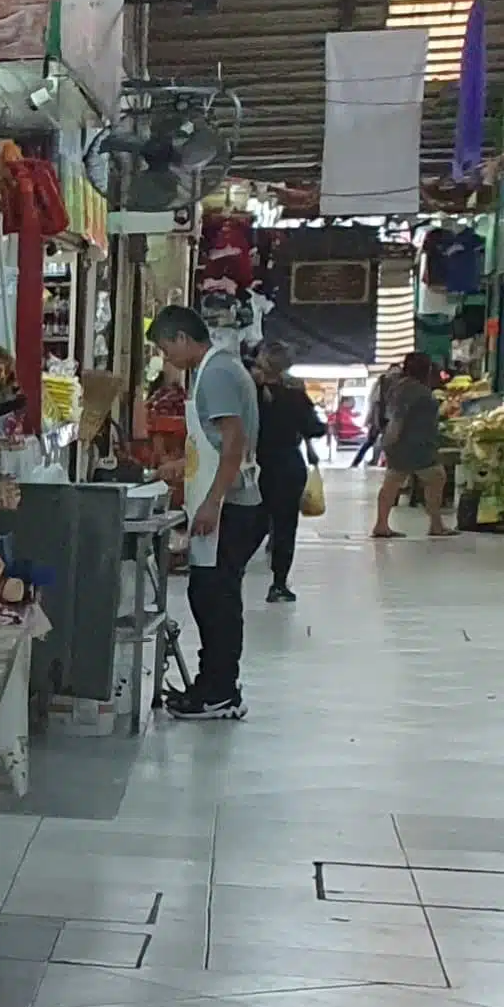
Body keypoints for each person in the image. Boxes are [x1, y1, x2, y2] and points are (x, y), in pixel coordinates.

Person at [161, 307, 257, 720]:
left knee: (215, 598)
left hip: (232, 506)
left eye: (166, 348)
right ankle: (212, 684)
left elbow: (234, 443)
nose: (166, 358)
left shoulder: (216, 373)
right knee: (208, 595)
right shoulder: (214, 369)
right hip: (225, 498)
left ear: (183, 338)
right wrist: (182, 469)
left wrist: (212, 501)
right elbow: (216, 444)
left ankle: (219, 691)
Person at [253, 341, 320, 605]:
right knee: (284, 527)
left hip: (255, 464)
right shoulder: (295, 395)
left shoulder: (251, 392)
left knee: (252, 521)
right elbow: (315, 428)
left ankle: (230, 571)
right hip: (288, 466)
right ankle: (279, 583)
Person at [371, 353, 454, 539]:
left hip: (403, 442)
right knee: (436, 478)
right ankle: (436, 524)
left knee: (392, 483)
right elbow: (399, 416)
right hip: (415, 444)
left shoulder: (399, 386)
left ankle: (381, 524)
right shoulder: (415, 390)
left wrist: (389, 440)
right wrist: (393, 437)